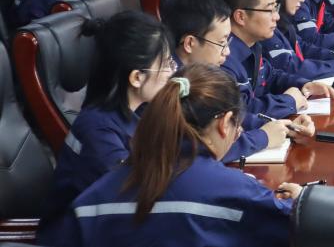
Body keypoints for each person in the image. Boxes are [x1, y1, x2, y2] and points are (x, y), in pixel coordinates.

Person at [52, 64, 302, 247]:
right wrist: (301, 201)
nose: (237, 134)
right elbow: (300, 229)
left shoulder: (92, 200)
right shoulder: (236, 191)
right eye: (237, 128)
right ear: (224, 123)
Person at [39, 11, 175, 231]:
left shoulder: (136, 112)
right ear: (137, 77)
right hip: (77, 234)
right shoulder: (98, 130)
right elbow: (132, 195)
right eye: (166, 64)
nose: (171, 72)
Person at [163, 0, 291, 159]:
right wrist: (263, 137)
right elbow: (198, 150)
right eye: (222, 43)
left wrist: (280, 126)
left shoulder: (200, 75)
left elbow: (232, 116)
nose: (228, 52)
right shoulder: (171, 88)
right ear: (190, 43)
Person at [219, 0, 334, 123]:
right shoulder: (224, 57)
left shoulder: (253, 45)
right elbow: (242, 112)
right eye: (270, 10)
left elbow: (272, 77)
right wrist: (289, 101)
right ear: (241, 17)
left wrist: (304, 84)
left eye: (276, 8)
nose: (277, 17)